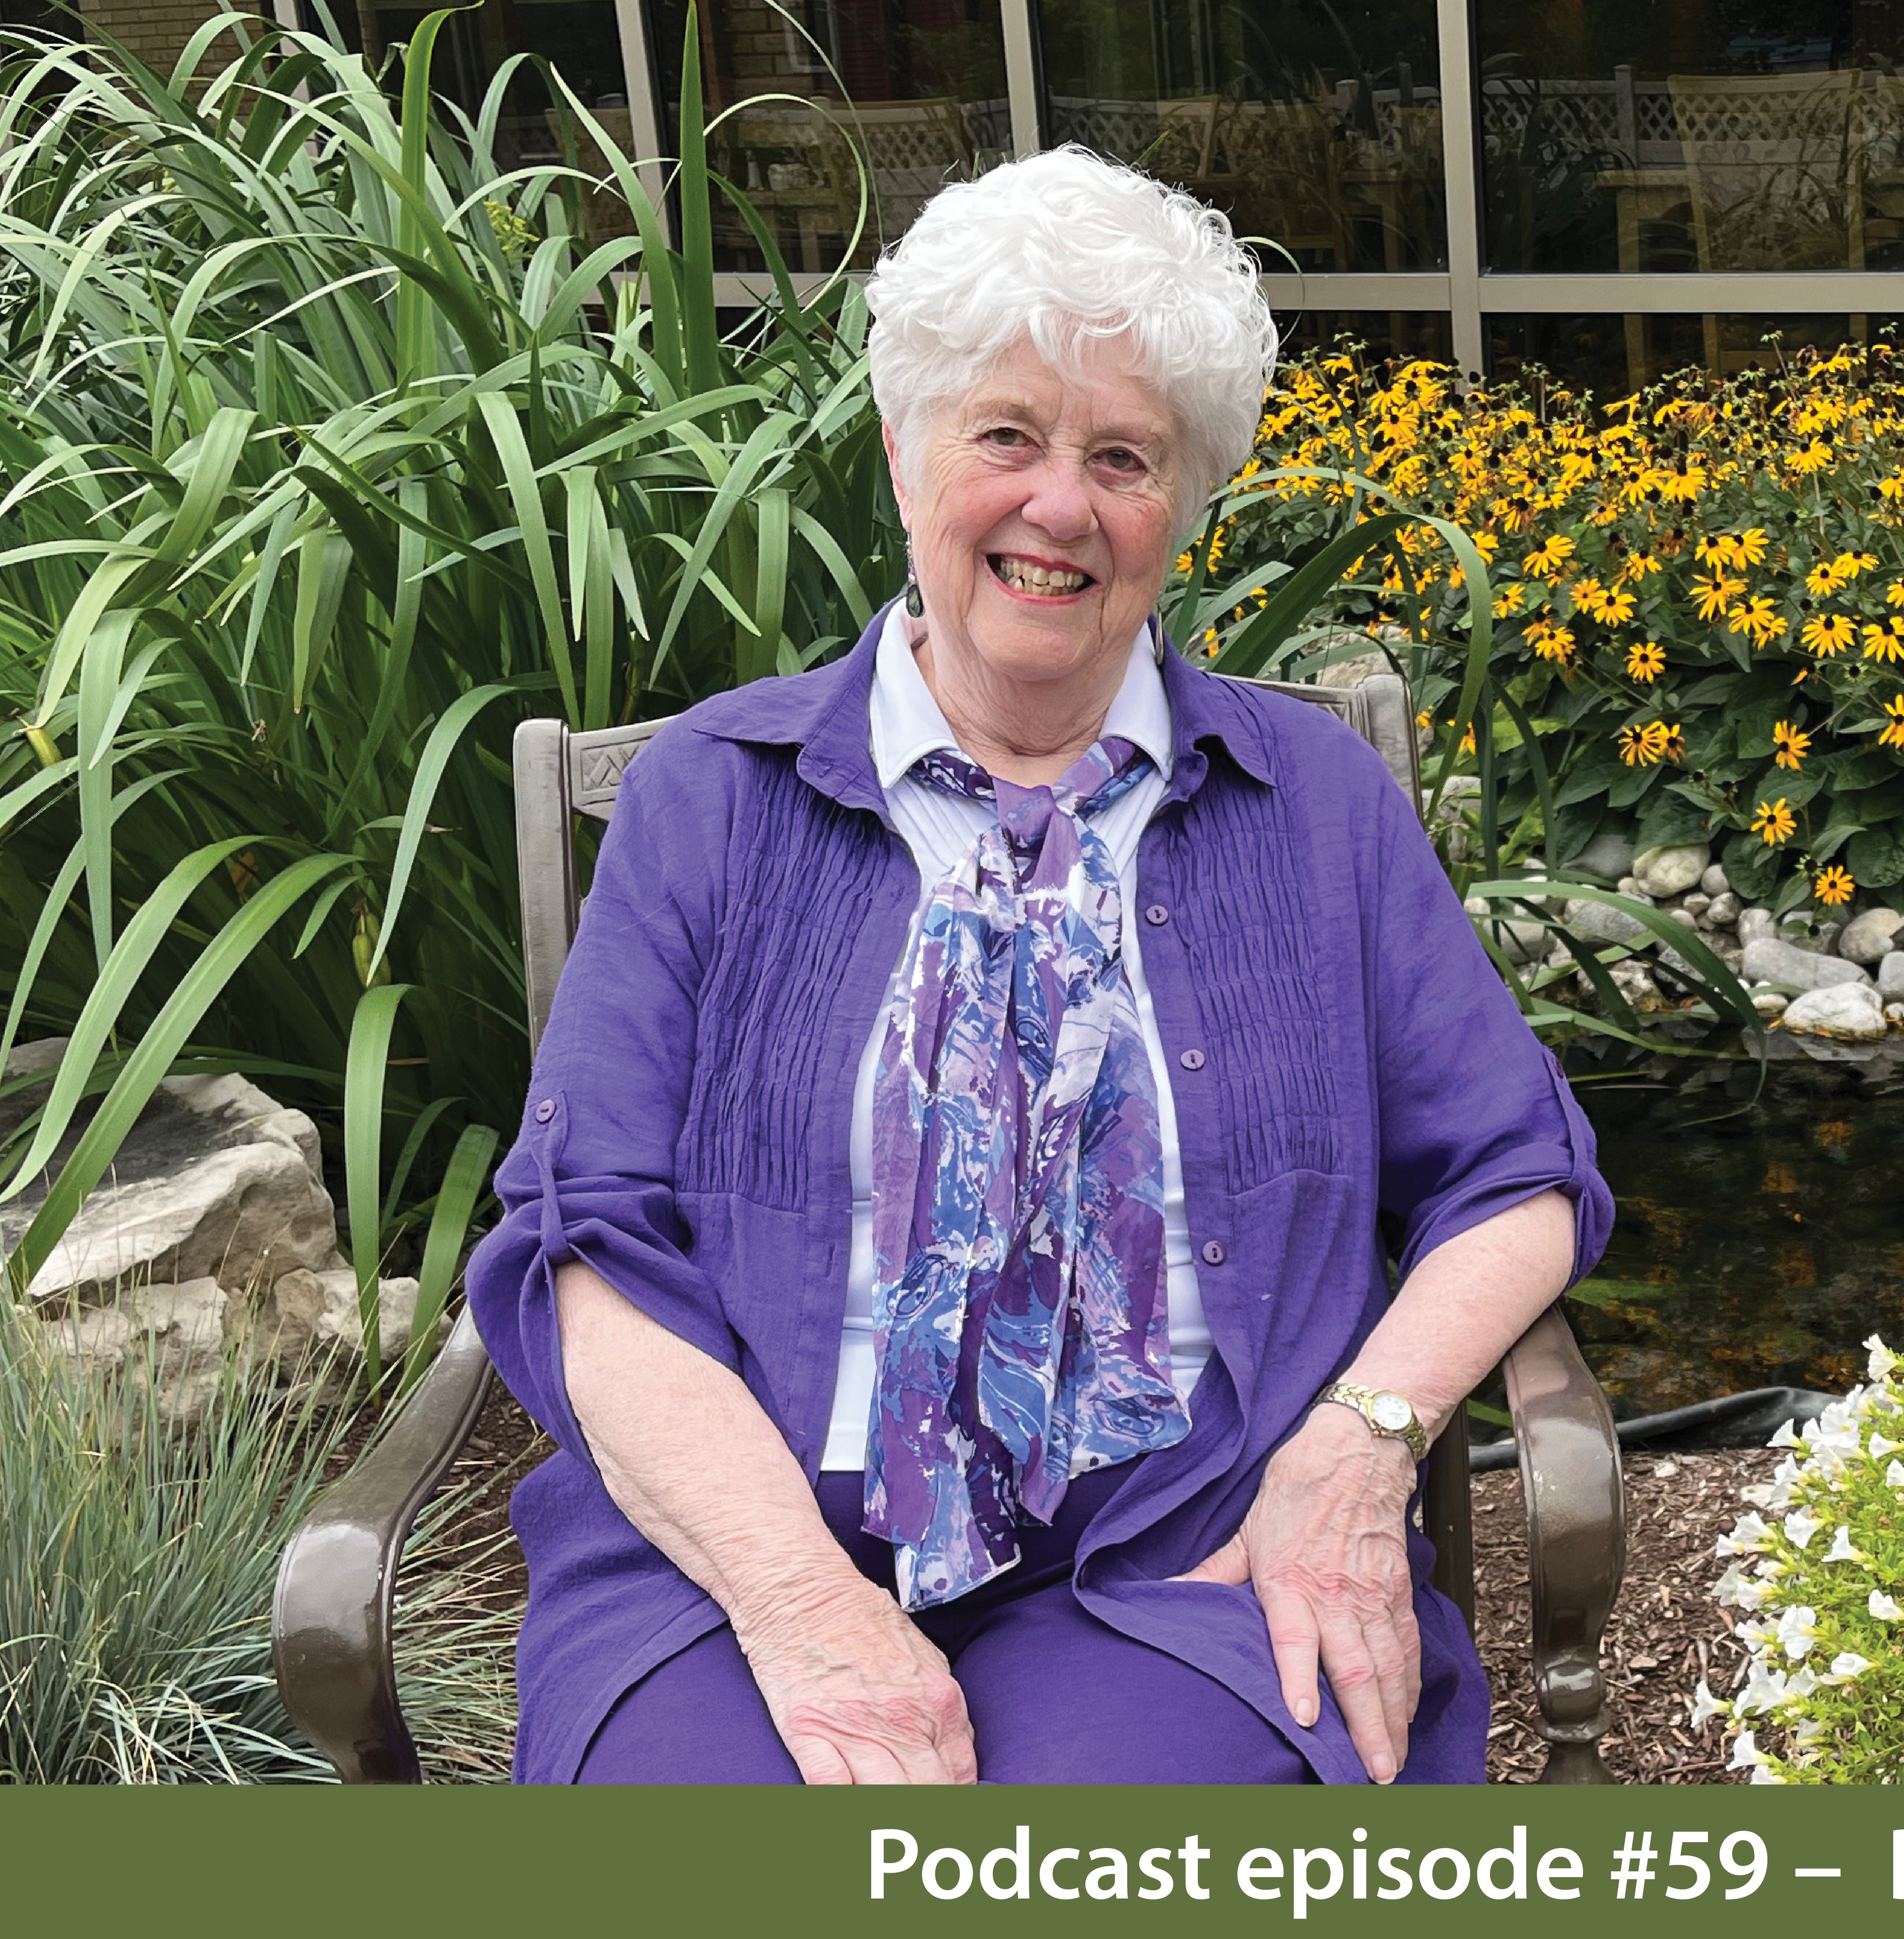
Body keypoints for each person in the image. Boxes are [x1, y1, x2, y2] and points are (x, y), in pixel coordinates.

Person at [463, 147, 1612, 1785]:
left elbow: (1516, 1174)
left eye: (1125, 457)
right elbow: (583, 1253)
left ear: (1185, 506)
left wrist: (1359, 1445)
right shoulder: (711, 799)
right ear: (904, 450)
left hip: (1181, 1562)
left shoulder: (1314, 806)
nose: (1060, 504)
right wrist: (801, 1604)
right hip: (742, 1555)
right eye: (1006, 433)